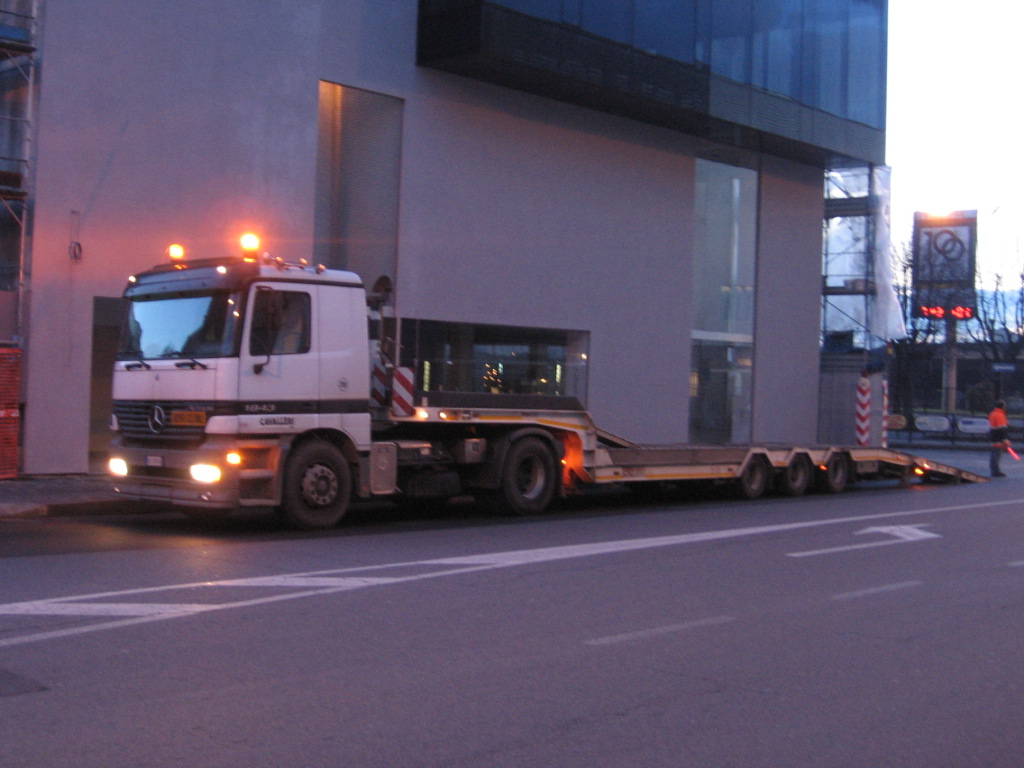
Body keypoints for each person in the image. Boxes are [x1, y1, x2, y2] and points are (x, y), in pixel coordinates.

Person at [988, 399, 1010, 477]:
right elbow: (1002, 429)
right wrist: (1005, 441)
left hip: (994, 436)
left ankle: (994, 470)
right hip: (999, 438)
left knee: (994, 454)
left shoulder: (992, 413)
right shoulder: (1000, 415)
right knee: (997, 455)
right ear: (1002, 407)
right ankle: (996, 471)